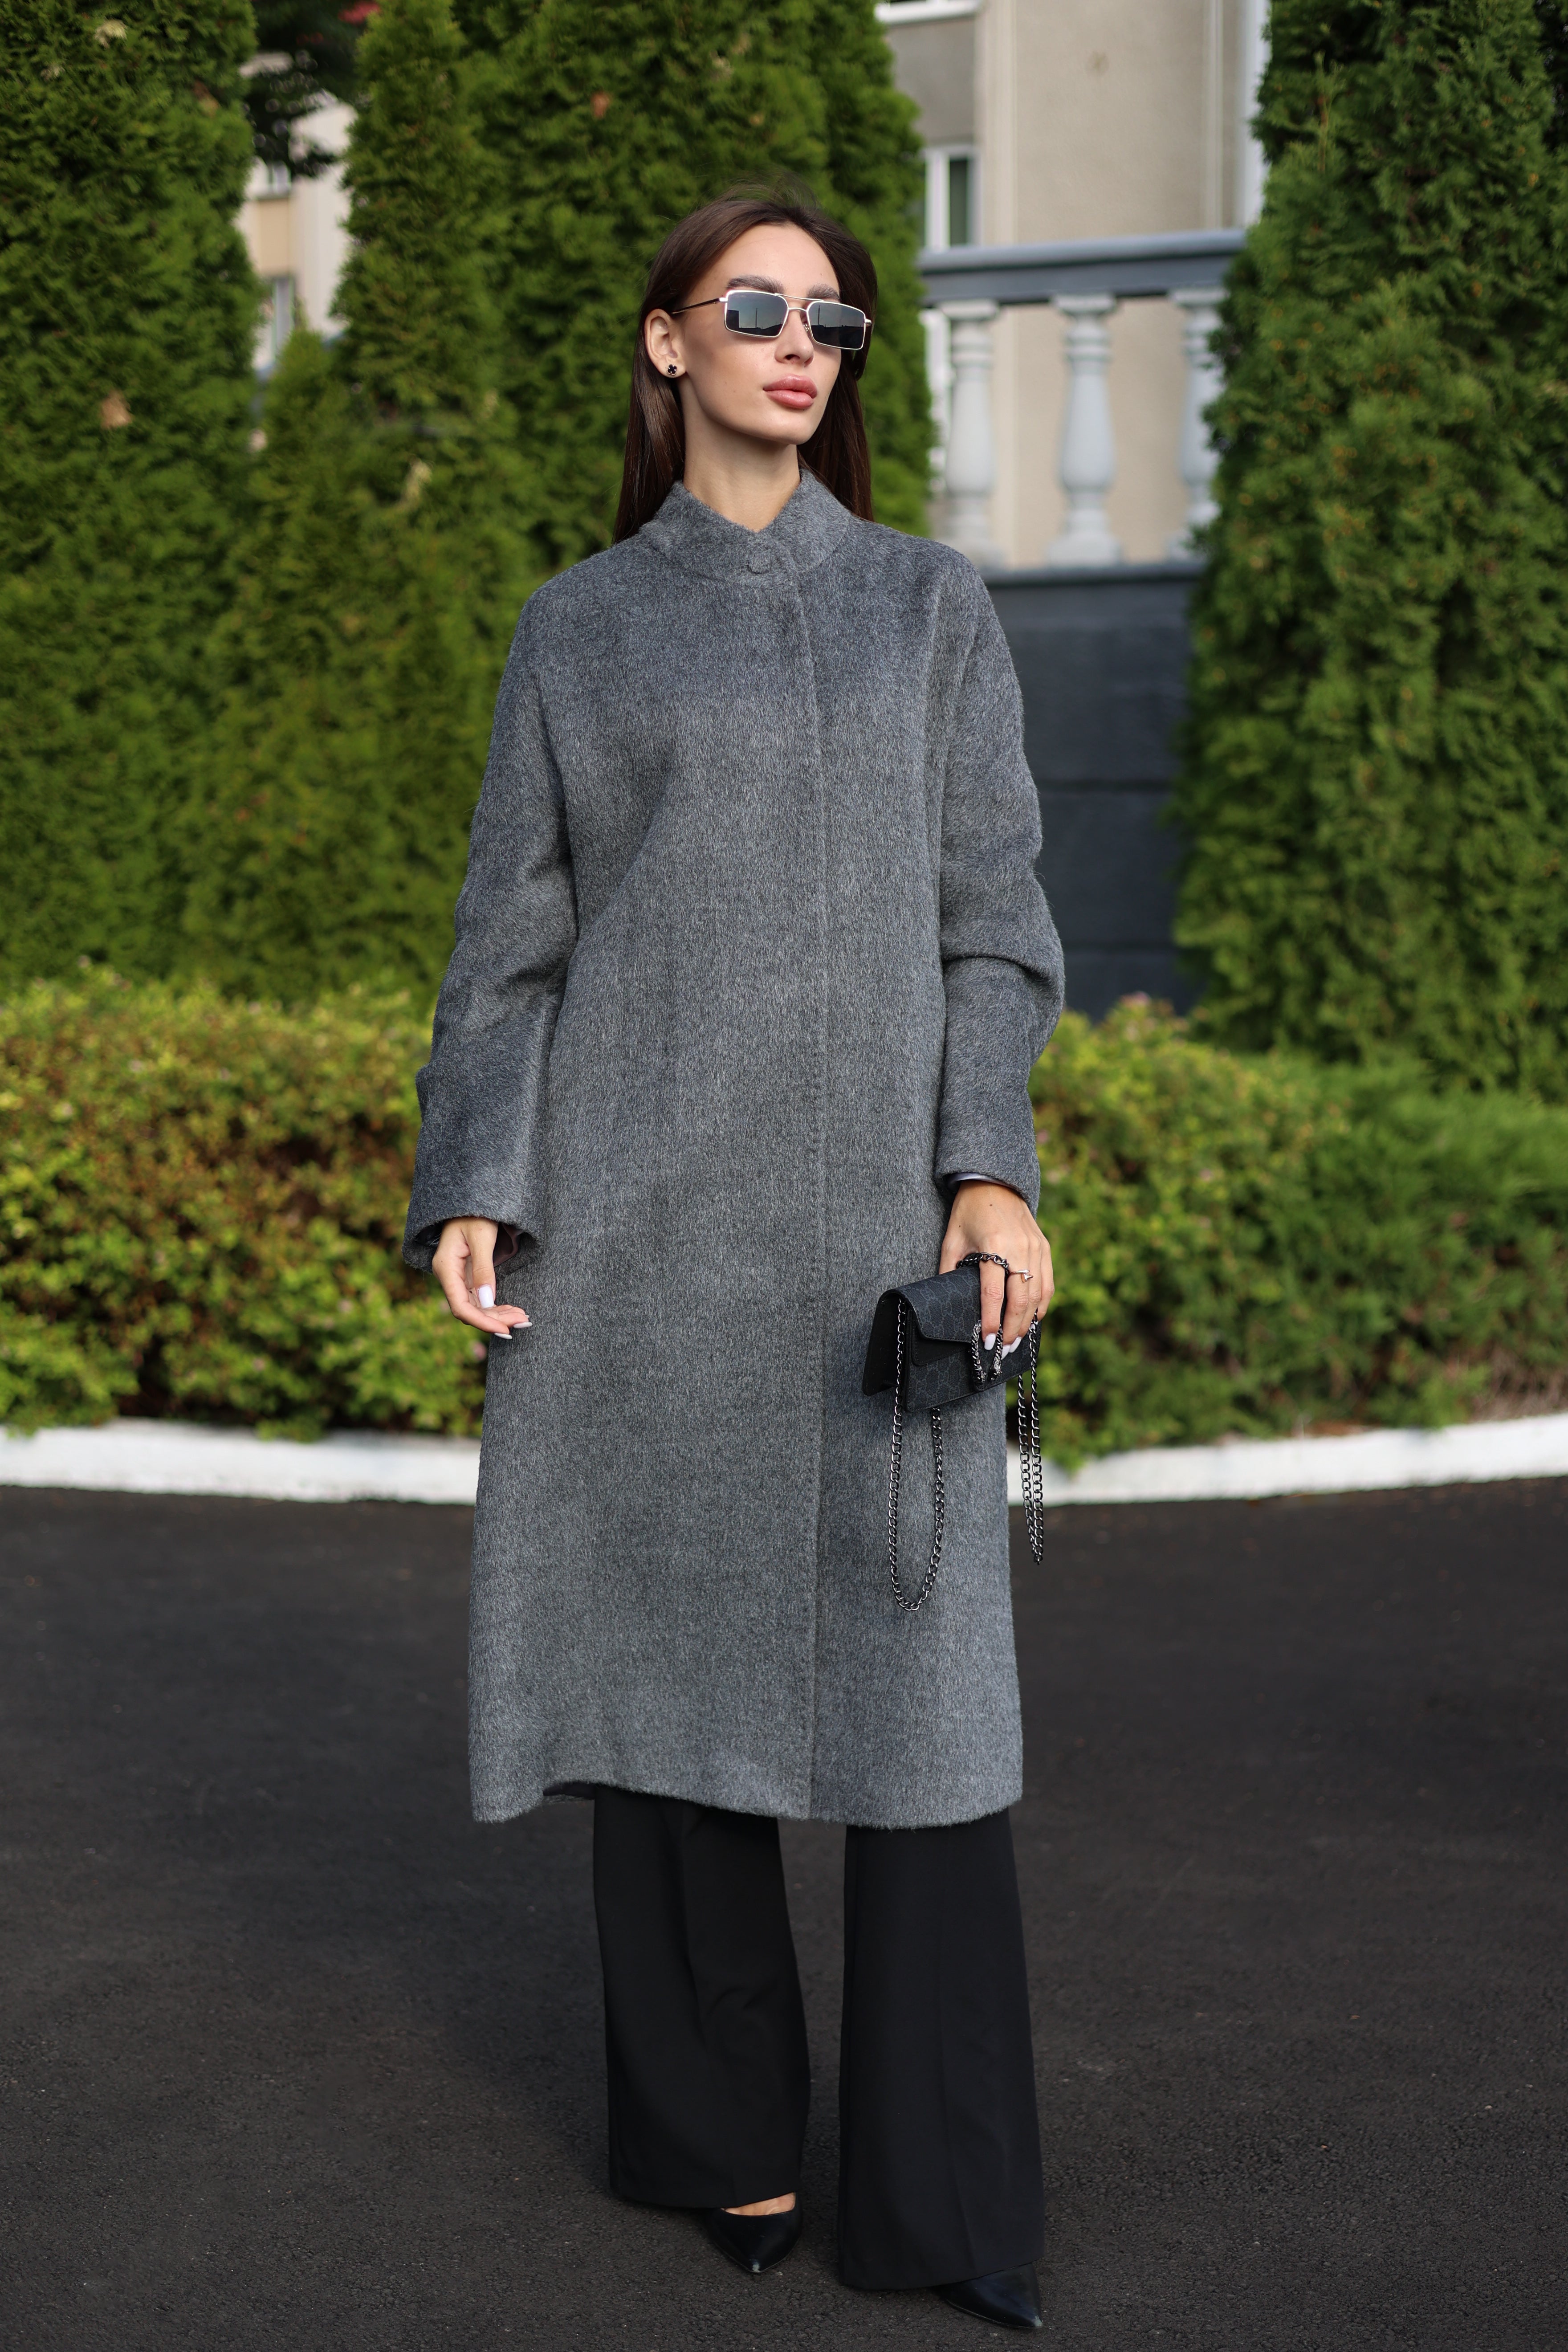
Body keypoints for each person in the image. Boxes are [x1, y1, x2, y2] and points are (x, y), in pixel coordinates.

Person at [403, 188, 1064, 2332]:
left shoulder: (928, 613)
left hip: (877, 1248)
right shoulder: (577, 629)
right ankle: (713, 2145)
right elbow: (512, 949)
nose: (803, 345)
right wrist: (474, 1181)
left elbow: (997, 925)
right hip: (651, 1235)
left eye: (833, 318)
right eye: (755, 311)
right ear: (667, 344)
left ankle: (943, 2201)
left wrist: (989, 1170)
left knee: (928, 1728)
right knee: (669, 1700)